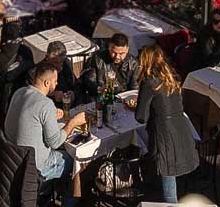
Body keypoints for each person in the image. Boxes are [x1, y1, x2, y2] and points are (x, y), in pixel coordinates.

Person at [3, 61, 87, 207]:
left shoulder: (19, 92)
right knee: (76, 162)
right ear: (47, 82)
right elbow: (55, 142)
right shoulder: (45, 104)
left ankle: (46, 193)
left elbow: (31, 117)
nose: (56, 85)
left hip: (12, 157)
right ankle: (69, 202)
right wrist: (73, 123)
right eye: (55, 81)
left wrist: (50, 117)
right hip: (35, 165)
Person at [133, 44, 198, 203]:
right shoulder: (172, 77)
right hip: (180, 130)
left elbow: (141, 117)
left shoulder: (149, 82)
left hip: (163, 136)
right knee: (171, 176)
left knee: (168, 181)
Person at [81, 32, 137, 103]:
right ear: (109, 47)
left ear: (127, 50)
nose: (117, 57)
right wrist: (100, 88)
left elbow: (134, 86)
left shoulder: (133, 62)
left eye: (121, 53)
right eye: (114, 52)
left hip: (122, 99)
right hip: (101, 97)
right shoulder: (98, 58)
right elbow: (89, 81)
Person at [40, 40, 79, 108]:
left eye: (61, 62)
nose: (58, 66)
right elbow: (35, 96)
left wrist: (73, 93)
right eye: (55, 62)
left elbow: (76, 85)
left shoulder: (66, 64)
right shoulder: (38, 72)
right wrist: (53, 95)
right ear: (47, 57)